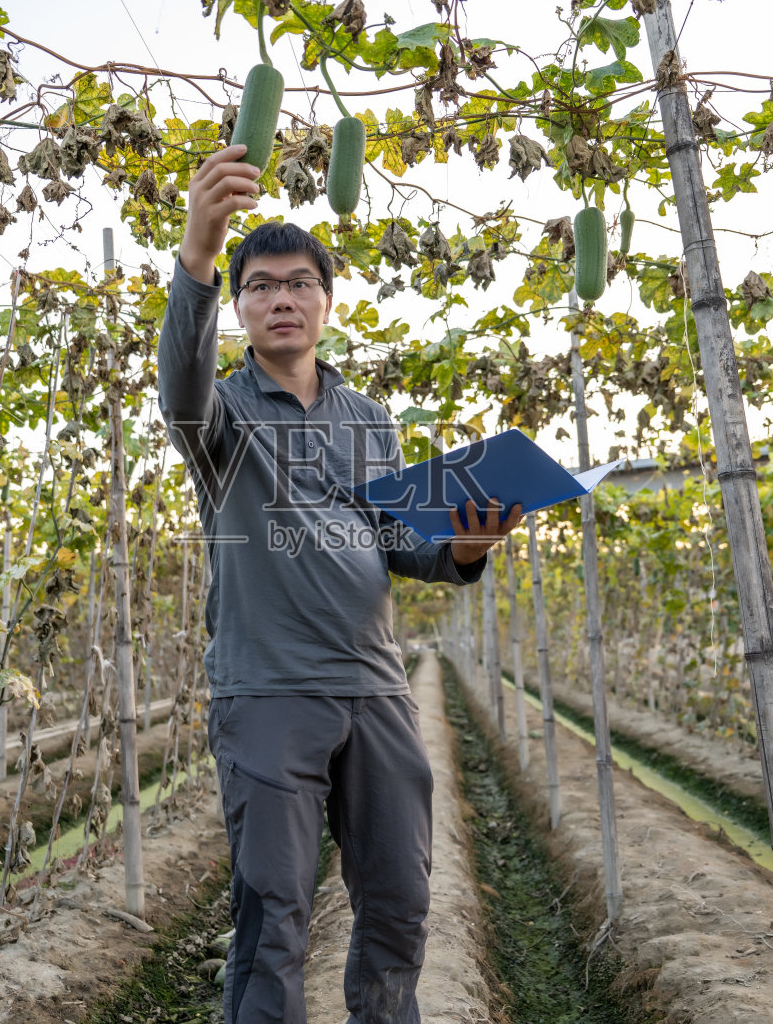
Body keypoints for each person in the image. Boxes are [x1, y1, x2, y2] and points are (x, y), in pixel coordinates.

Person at [157, 142, 522, 1024]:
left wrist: (468, 548)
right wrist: (198, 257)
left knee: (400, 899)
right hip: (271, 691)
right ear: (239, 306)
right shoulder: (223, 411)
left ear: (327, 298)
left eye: (298, 283)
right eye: (260, 286)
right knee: (272, 917)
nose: (281, 297)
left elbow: (403, 541)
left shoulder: (370, 417)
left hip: (377, 688)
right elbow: (179, 390)